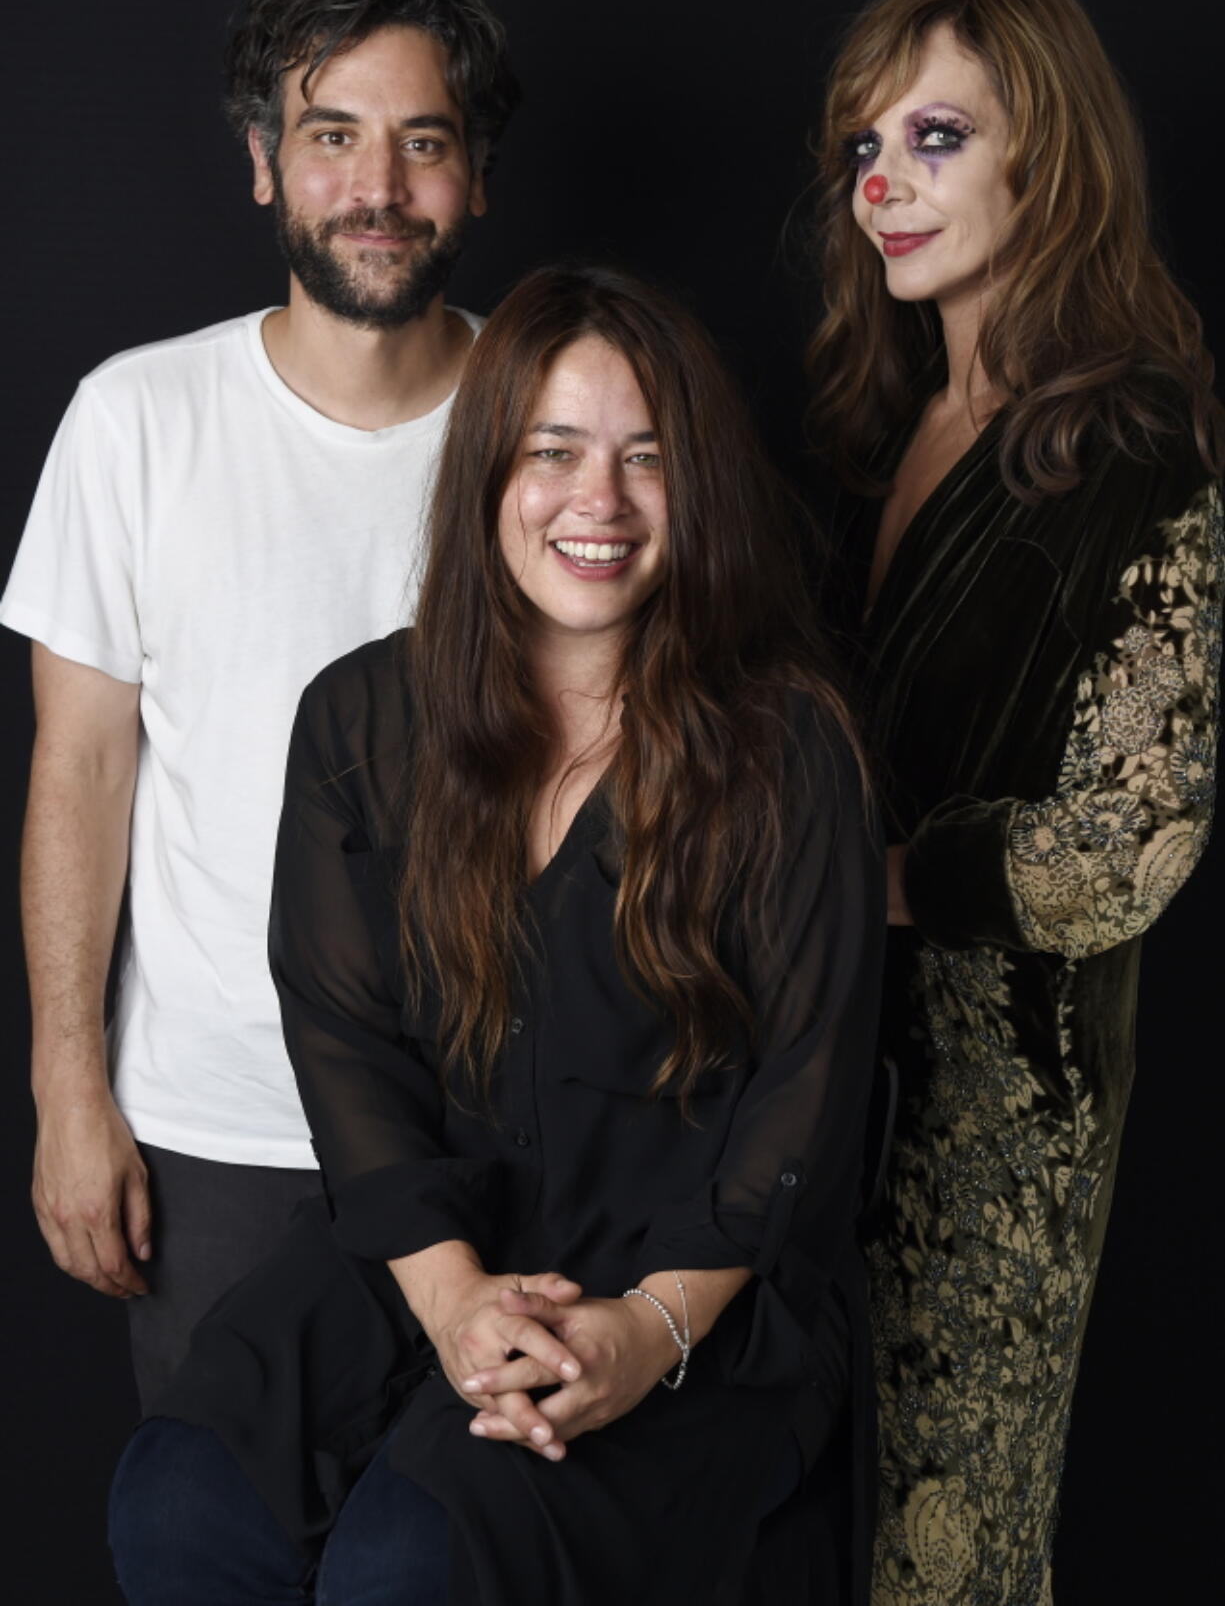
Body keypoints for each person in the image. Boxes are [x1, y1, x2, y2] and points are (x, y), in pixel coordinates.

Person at [108, 263, 886, 1605]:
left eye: (647, 458)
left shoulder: (786, 747)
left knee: (414, 1561)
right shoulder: (361, 721)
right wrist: (456, 1301)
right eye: (556, 452)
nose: (600, 500)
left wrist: (644, 1335)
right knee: (180, 1501)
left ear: (695, 487)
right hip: (429, 1247)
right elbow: (347, 1052)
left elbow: (800, 1104)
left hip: (688, 1288)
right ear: (486, 475)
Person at [0, 0, 518, 1409]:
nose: (377, 186)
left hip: (498, 1129)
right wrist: (66, 1087)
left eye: (424, 143)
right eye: (331, 135)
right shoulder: (135, 420)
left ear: (474, 175)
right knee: (218, 1550)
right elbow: (80, 769)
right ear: (263, 163)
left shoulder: (550, 430)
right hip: (216, 1137)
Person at [807, 0, 1223, 1605]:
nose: (881, 183)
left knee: (945, 1543)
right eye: (863, 147)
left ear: (1044, 162)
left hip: (999, 1114)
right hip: (819, 1063)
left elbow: (1130, 843)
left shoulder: (1134, 452)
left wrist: (871, 880)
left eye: (934, 136)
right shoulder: (883, 425)